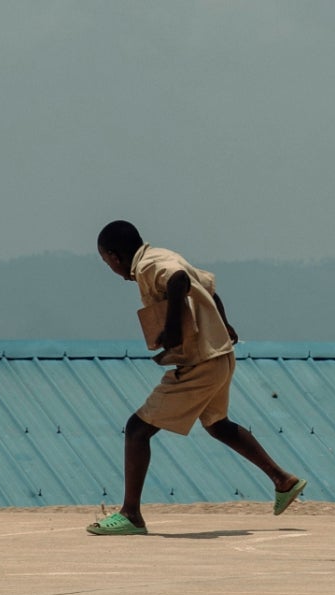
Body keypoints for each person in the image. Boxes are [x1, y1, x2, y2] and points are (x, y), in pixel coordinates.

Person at [88, 221, 307, 536]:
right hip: (219, 355)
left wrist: (174, 328)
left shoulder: (151, 265)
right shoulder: (163, 255)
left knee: (137, 430)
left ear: (114, 256)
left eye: (105, 260)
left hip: (201, 361)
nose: (109, 267)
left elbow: (178, 282)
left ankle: (131, 514)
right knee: (218, 424)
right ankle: (282, 480)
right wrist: (225, 324)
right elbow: (205, 286)